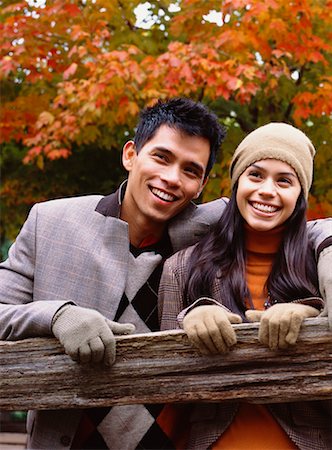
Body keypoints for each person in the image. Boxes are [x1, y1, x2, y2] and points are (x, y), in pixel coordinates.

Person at [0, 101, 330, 450]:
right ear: (131, 155)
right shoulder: (51, 223)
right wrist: (57, 315)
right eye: (161, 157)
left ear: (202, 185)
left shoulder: (211, 233)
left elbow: (302, 227)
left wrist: (311, 307)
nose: (171, 179)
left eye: (190, 170)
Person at [158, 122, 331, 449]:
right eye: (255, 175)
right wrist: (188, 321)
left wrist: (313, 319)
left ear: (300, 195)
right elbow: (169, 395)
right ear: (237, 183)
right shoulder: (181, 268)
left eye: (284, 181)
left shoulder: (319, 266)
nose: (267, 190)